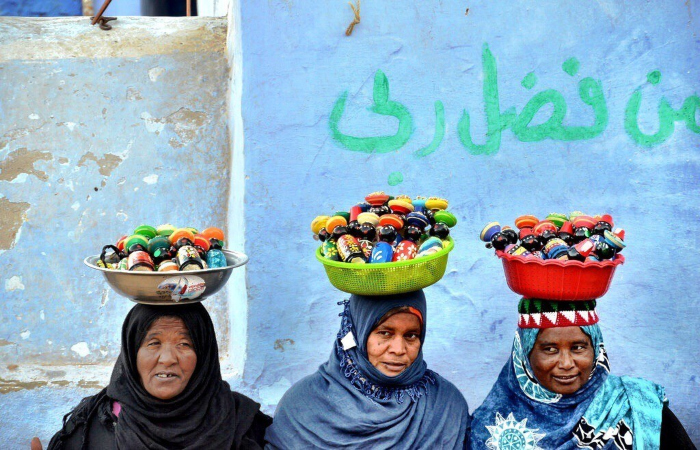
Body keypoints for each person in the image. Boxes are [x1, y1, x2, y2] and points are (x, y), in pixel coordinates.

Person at [35, 302, 271, 450]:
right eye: (153, 343)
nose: (167, 358)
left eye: (184, 344)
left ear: (204, 355)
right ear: (131, 353)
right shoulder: (95, 424)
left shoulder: (241, 423)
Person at [470, 298, 695, 449]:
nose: (567, 363)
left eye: (579, 347)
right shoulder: (489, 425)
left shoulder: (636, 404)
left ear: (596, 349)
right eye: (550, 349)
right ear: (524, 354)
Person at [265, 290, 470, 449]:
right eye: (385, 333)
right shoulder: (304, 405)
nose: (398, 350)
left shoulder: (444, 404)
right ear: (356, 334)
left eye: (411, 335)